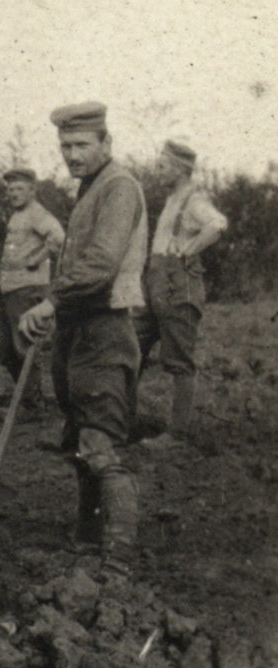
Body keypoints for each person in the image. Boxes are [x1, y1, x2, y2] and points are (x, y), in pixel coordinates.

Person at [19, 103, 147, 577]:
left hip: (105, 331)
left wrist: (51, 302)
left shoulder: (118, 187)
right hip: (78, 332)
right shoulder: (91, 189)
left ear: (106, 143)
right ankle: (88, 543)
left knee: (99, 444)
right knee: (79, 440)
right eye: (65, 146)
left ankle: (117, 564)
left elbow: (100, 266)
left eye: (81, 145)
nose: (72, 154)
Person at [133, 139, 228, 449]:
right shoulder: (172, 199)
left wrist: (189, 250)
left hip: (178, 289)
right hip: (155, 286)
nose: (158, 171)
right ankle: (119, 418)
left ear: (179, 168)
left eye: (162, 166)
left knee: (179, 361)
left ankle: (176, 434)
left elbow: (217, 224)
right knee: (131, 347)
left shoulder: (193, 200)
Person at [0, 167, 64, 414]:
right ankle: (27, 397)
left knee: (23, 346)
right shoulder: (18, 214)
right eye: (10, 189)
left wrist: (38, 258)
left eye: (19, 188)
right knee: (5, 350)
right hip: (10, 288)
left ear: (32, 191)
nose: (14, 194)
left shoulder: (37, 213)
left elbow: (58, 237)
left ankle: (31, 405)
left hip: (27, 287)